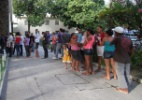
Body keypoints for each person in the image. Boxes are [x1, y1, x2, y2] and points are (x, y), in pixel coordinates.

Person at [110, 26, 133, 94]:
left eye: (115, 32)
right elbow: (132, 48)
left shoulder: (117, 38)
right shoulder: (129, 38)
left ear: (116, 32)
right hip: (127, 58)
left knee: (120, 73)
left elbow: (111, 43)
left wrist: (115, 36)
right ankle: (127, 86)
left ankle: (123, 88)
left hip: (120, 58)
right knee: (126, 73)